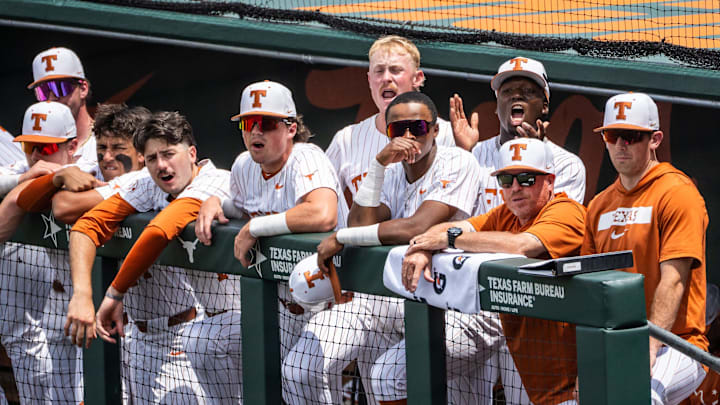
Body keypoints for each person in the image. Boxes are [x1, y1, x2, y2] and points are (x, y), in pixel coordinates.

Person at [282, 91, 485, 404]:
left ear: (434, 130)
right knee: (300, 369)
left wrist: (344, 238)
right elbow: (359, 223)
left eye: (416, 128)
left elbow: (418, 227)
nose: (406, 137)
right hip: (394, 294)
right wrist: (378, 165)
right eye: (396, 129)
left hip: (457, 304)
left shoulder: (458, 160)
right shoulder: (390, 171)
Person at [398, 137, 585, 405]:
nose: (516, 188)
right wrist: (421, 247)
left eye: (527, 179)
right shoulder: (505, 215)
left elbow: (521, 245)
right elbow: (455, 228)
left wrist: (449, 240)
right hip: (535, 372)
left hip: (577, 381)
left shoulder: (566, 212)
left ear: (550, 181)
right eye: (506, 181)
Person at [192, 79, 344, 402]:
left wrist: (256, 227)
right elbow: (241, 206)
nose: (256, 132)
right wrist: (214, 201)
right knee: (201, 340)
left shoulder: (306, 156)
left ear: (290, 128)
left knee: (300, 373)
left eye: (268, 124)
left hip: (334, 308)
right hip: (280, 308)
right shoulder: (244, 166)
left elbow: (323, 213)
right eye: (249, 123)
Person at [66, 111, 229, 402]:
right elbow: (86, 225)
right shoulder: (148, 184)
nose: (161, 166)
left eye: (169, 154)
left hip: (227, 329)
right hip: (152, 339)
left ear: (192, 153)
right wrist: (82, 293)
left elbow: (159, 230)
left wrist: (113, 294)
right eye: (152, 158)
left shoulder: (215, 180)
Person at [583, 92, 708, 404]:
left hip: (677, 343)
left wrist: (650, 346)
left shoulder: (677, 192)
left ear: (655, 139)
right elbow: (590, 287)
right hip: (617, 340)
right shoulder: (598, 206)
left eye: (633, 136)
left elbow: (674, 280)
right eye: (613, 135)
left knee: (641, 397)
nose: (621, 144)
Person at [326, 35, 477, 213]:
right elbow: (323, 198)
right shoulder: (346, 139)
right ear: (369, 80)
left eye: (396, 70)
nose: (386, 78)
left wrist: (464, 149)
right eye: (379, 71)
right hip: (364, 236)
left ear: (417, 78)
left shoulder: (445, 134)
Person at [0, 101, 83, 403]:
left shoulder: (87, 166)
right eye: (30, 146)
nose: (36, 156)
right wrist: (27, 179)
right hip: (56, 320)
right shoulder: (23, 169)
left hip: (106, 318)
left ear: (72, 146)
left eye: (46, 148)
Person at [453, 56, 586, 211]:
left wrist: (535, 159)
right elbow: (455, 218)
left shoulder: (567, 165)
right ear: (497, 106)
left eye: (528, 91)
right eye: (507, 91)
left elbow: (553, 228)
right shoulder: (473, 155)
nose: (516, 96)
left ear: (544, 107)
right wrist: (463, 156)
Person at [27, 47, 97, 174]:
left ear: (83, 89)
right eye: (43, 91)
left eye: (60, 87)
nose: (52, 97)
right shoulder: (36, 144)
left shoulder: (106, 141)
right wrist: (21, 179)